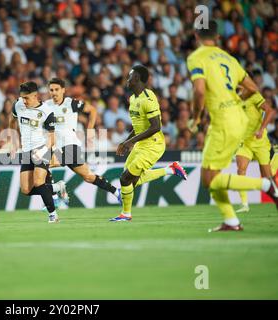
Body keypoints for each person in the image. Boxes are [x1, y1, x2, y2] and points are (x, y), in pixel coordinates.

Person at [186, 20, 278, 232]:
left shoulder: (196, 57)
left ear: (196, 36)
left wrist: (196, 117)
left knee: (209, 179)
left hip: (224, 121)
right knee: (211, 176)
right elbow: (253, 88)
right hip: (239, 119)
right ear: (217, 37)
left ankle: (266, 186)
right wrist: (235, 97)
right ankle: (231, 221)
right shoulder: (228, 58)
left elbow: (199, 91)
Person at [110, 65, 188, 222]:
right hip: (141, 144)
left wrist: (129, 142)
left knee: (126, 179)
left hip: (153, 144)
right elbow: (139, 126)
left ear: (137, 79)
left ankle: (126, 214)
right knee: (131, 180)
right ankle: (170, 169)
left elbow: (155, 127)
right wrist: (127, 142)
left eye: (129, 77)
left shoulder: (148, 98)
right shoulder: (132, 99)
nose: (127, 80)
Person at [46, 78, 121, 203]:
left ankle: (56, 195)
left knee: (43, 164)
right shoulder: (46, 105)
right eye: (51, 90)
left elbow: (92, 110)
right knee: (88, 176)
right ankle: (116, 191)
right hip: (58, 147)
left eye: (57, 89)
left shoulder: (71, 103)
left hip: (70, 145)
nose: (54, 92)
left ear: (63, 90)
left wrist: (90, 129)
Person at [9, 81, 68, 223]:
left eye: (27, 98)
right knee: (26, 190)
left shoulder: (47, 112)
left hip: (43, 149)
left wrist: (42, 152)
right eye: (22, 98)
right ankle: (57, 186)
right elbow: (11, 122)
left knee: (39, 182)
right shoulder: (18, 105)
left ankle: (53, 215)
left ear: (35, 96)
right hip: (26, 151)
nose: (24, 101)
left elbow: (52, 139)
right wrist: (13, 142)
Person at [235, 88, 276, 213]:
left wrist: (262, 129)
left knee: (267, 178)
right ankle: (244, 204)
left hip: (260, 142)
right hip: (245, 142)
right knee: (241, 169)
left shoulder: (255, 96)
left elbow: (270, 111)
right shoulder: (234, 98)